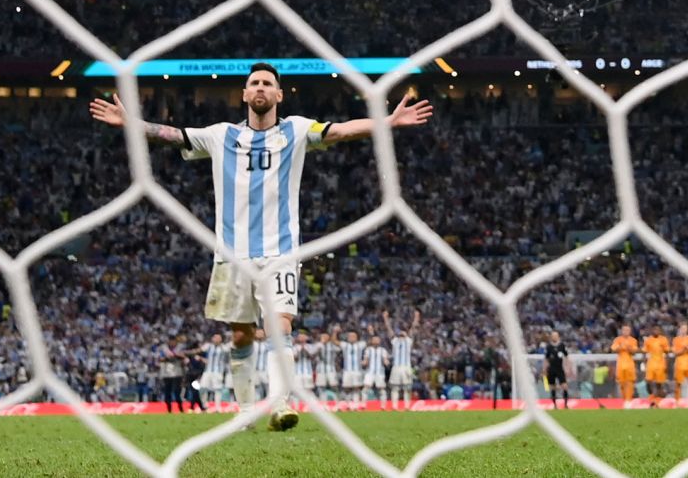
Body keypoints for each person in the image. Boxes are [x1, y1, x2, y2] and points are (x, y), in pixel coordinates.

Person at [89, 62, 433, 431]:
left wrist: (389, 122)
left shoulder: (297, 130)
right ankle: (245, 410)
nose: (260, 88)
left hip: (281, 250)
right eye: (254, 83)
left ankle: (281, 403)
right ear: (244, 94)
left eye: (268, 83)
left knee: (278, 325)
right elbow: (171, 135)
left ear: (279, 95)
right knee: (241, 334)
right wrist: (130, 124)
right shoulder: (220, 136)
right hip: (232, 253)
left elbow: (343, 130)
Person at [385, 310, 420, 409]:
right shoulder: (395, 341)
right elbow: (389, 329)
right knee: (395, 387)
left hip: (406, 367)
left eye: (403, 332)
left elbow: (413, 328)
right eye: (400, 332)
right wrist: (385, 319)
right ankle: (395, 406)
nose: (402, 333)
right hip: (396, 367)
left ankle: (407, 406)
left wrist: (416, 318)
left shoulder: (408, 341)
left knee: (407, 387)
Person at [541, 330, 571, 409]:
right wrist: (544, 369)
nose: (554, 337)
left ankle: (566, 404)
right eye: (553, 336)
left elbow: (567, 357)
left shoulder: (562, 345)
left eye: (556, 336)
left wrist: (568, 368)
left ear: (558, 337)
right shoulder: (548, 347)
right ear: (551, 337)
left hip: (560, 369)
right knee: (552, 387)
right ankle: (554, 405)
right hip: (551, 369)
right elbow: (546, 359)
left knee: (564, 386)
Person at [157, 336, 187, 414]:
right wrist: (167, 358)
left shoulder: (180, 348)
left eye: (174, 341)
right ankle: (169, 410)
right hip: (166, 373)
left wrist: (176, 355)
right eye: (171, 341)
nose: (172, 343)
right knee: (167, 392)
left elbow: (184, 357)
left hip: (177, 373)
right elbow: (159, 359)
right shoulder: (164, 348)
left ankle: (181, 409)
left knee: (177, 392)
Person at [200, 332, 230, 406]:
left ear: (221, 339)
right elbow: (199, 350)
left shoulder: (224, 348)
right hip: (207, 371)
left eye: (218, 338)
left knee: (217, 389)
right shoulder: (208, 346)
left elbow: (229, 357)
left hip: (218, 371)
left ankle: (217, 406)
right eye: (215, 338)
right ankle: (205, 404)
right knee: (202, 387)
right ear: (212, 339)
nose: (216, 339)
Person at [611, 325, 639, 402]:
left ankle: (629, 399)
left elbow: (634, 351)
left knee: (630, 382)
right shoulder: (617, 340)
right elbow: (614, 349)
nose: (626, 332)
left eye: (627, 330)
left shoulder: (633, 340)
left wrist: (628, 348)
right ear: (621, 331)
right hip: (620, 364)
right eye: (624, 330)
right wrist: (622, 347)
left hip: (630, 364)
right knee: (621, 383)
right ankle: (624, 398)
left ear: (630, 332)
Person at [643, 325, 670, 402]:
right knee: (648, 382)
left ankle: (657, 400)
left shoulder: (663, 339)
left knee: (659, 384)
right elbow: (644, 353)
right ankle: (652, 396)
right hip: (651, 363)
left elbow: (667, 352)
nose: (656, 331)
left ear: (660, 331)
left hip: (660, 364)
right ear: (652, 331)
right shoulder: (648, 340)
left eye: (658, 330)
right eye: (654, 330)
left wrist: (666, 365)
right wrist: (644, 364)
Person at [363, 333, 391, 406]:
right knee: (365, 389)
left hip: (380, 372)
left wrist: (386, 362)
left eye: (377, 340)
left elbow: (385, 360)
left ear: (379, 341)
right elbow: (366, 360)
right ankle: (363, 405)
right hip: (370, 372)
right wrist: (364, 362)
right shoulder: (368, 350)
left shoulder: (383, 350)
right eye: (374, 340)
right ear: (372, 341)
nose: (375, 341)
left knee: (382, 389)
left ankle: (383, 406)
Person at [671, 323, 688, 406]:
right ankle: (677, 402)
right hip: (679, 364)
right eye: (683, 328)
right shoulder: (676, 340)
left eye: (685, 328)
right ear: (680, 329)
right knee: (677, 383)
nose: (684, 330)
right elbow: (675, 353)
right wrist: (683, 348)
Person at [341, 329, 366, 406]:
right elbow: (334, 341)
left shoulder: (361, 344)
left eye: (353, 336)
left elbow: (370, 342)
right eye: (350, 336)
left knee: (356, 388)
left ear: (357, 337)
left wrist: (371, 332)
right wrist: (335, 332)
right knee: (346, 388)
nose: (351, 337)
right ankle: (348, 404)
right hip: (347, 371)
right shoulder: (344, 345)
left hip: (357, 371)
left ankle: (356, 404)